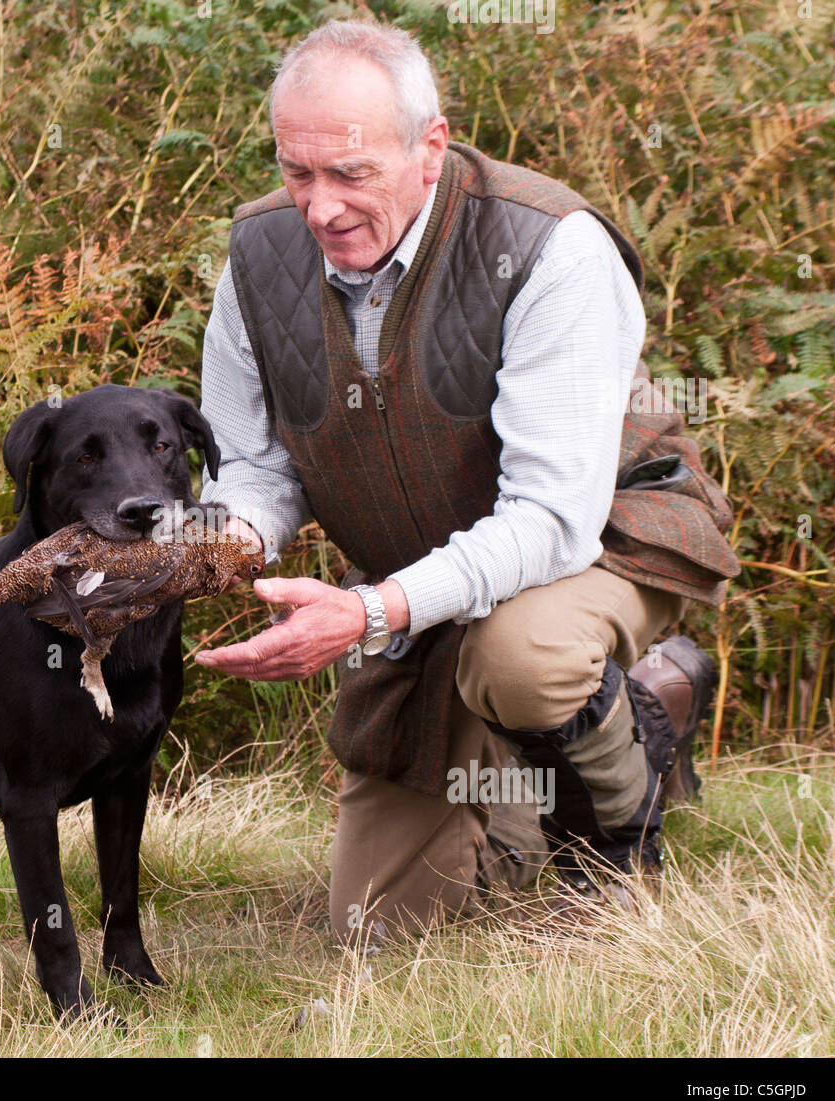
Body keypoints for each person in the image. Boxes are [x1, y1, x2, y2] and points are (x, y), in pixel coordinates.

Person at [192, 19, 739, 939]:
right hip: (424, 578)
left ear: (431, 148)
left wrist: (369, 613)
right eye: (298, 172)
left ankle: (617, 828)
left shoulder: (549, 246)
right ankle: (602, 741)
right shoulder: (256, 258)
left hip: (600, 537)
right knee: (383, 934)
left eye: (351, 174)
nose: (319, 208)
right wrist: (211, 547)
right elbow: (255, 466)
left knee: (519, 660)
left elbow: (548, 522)